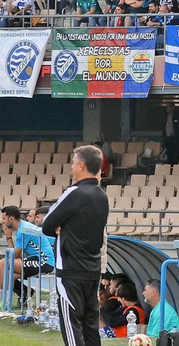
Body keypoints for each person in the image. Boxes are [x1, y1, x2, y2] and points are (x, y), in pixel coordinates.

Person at [40, 144, 110, 346]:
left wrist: (59, 225)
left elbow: (47, 224)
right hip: (92, 270)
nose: (71, 167)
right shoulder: (101, 196)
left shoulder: (74, 193)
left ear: (80, 165)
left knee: (72, 327)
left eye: (73, 163)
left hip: (70, 270)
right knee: (90, 327)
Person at [0, 205, 54, 312]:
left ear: (11, 219)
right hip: (36, 260)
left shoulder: (23, 230)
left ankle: (5, 302)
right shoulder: (23, 228)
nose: (2, 222)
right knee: (6, 269)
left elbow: (14, 255)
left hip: (43, 262)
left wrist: (8, 236)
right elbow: (15, 255)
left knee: (4, 263)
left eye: (4, 218)